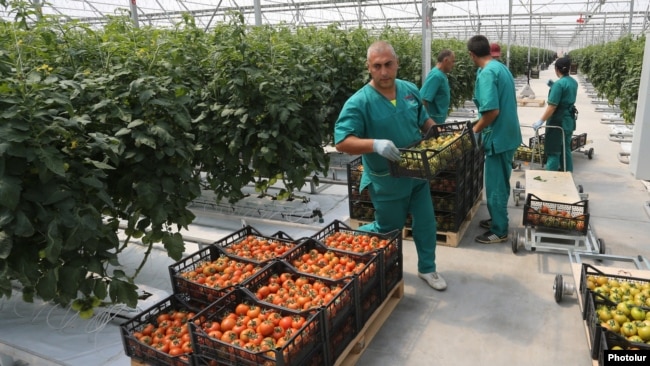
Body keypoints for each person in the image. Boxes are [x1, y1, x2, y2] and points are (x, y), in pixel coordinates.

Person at [334, 40, 446, 290]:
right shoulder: (359, 102)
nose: (384, 72)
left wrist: (435, 130)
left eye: (388, 64)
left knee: (426, 222)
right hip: (387, 179)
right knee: (388, 229)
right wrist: (374, 145)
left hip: (417, 171)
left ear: (397, 64)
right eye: (377, 66)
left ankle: (428, 268)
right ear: (369, 68)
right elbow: (342, 141)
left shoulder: (408, 90)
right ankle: (351, 238)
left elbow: (422, 118)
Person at [468, 35, 522, 244]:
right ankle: (497, 219)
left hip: (498, 137)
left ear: (472, 54)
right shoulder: (500, 68)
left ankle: (499, 230)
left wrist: (476, 130)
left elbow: (491, 111)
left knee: (495, 185)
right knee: (500, 181)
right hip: (507, 134)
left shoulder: (488, 73)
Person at [532, 57, 578, 172]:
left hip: (558, 121)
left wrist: (540, 121)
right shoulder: (573, 82)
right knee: (565, 148)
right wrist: (554, 87)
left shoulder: (559, 85)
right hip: (569, 121)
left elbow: (552, 107)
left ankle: (550, 181)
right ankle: (568, 174)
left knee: (554, 151)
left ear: (557, 69)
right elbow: (566, 95)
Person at [420, 49, 455, 124]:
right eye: (452, 61)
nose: (453, 64)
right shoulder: (436, 76)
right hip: (433, 124)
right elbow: (423, 100)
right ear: (445, 60)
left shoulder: (441, 75)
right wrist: (427, 123)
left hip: (438, 122)